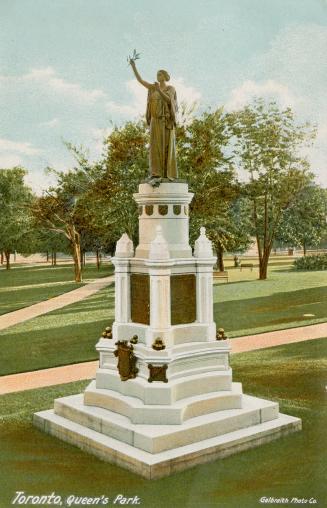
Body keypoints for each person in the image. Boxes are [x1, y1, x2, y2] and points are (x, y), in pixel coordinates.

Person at [129, 58, 178, 182]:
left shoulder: (170, 88)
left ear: (165, 76)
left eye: (160, 74)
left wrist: (158, 90)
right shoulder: (152, 88)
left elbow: (169, 101)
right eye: (157, 74)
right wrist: (133, 66)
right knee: (155, 148)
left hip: (165, 122)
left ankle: (166, 174)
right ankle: (156, 173)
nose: (158, 75)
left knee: (166, 146)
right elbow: (140, 80)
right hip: (155, 121)